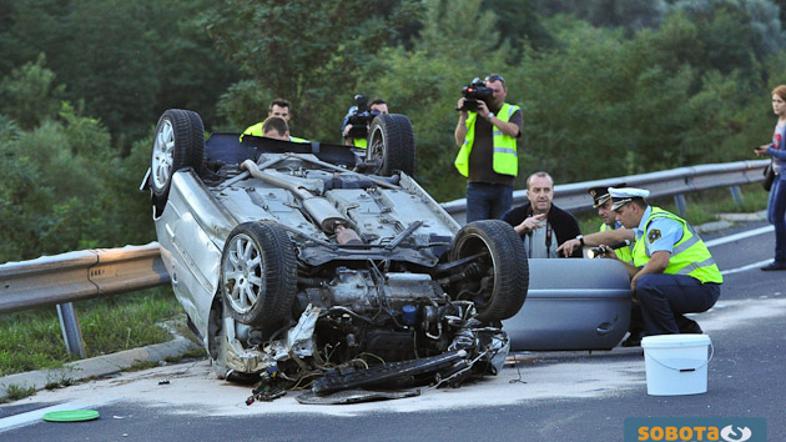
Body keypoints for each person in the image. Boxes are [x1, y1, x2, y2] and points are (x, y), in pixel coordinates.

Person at [559, 187, 723, 338]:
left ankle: (666, 340)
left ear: (634, 208)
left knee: (645, 285)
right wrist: (615, 261)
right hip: (682, 284)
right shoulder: (642, 231)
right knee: (628, 292)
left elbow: (660, 263)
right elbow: (642, 272)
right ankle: (685, 329)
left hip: (703, 286)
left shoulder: (658, 223)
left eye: (620, 212)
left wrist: (637, 281)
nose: (617, 217)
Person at [454, 74, 522, 222]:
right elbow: (459, 140)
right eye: (489, 90)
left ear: (505, 91)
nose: (492, 94)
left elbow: (514, 131)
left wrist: (489, 116)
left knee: (500, 229)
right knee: (477, 230)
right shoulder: (473, 112)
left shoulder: (511, 110)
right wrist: (463, 115)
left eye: (496, 91)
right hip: (476, 182)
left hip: (502, 183)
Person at [501, 171, 581, 258]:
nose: (542, 195)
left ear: (553, 193)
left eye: (546, 190)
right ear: (528, 194)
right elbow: (497, 244)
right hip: (521, 271)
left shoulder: (567, 221)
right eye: (537, 190)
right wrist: (519, 229)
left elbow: (578, 260)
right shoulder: (513, 217)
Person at [754, 84, 786, 271]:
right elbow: (778, 146)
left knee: (776, 215)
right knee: (772, 216)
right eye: (773, 101)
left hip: (784, 176)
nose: (775, 105)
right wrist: (767, 148)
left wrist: (771, 151)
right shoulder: (780, 122)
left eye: (779, 102)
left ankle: (781, 258)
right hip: (777, 173)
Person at [240, 98, 308, 143]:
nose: (280, 117)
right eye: (276, 114)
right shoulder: (251, 131)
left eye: (284, 115)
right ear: (269, 114)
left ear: (289, 116)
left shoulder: (297, 140)